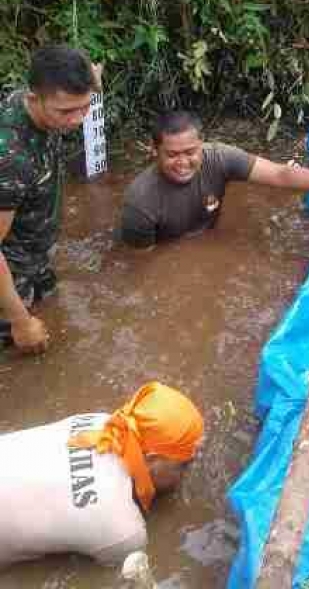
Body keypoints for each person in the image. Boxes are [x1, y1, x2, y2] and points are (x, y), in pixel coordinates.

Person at [0, 381, 203, 568]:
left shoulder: (103, 421)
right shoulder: (124, 533)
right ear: (152, 460)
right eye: (184, 465)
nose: (186, 472)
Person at [119, 110, 309, 248]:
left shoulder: (220, 158)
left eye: (191, 152)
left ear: (202, 145)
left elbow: (280, 174)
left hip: (209, 238)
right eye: (172, 155)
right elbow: (144, 267)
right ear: (154, 150)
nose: (183, 162)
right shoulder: (140, 203)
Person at [0, 45, 99, 353]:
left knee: (52, 305)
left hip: (35, 248)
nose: (78, 120)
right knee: (21, 350)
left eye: (84, 107)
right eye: (66, 111)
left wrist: (91, 81)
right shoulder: (11, 159)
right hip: (10, 267)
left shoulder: (48, 102)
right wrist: (19, 321)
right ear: (33, 99)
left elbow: (81, 90)